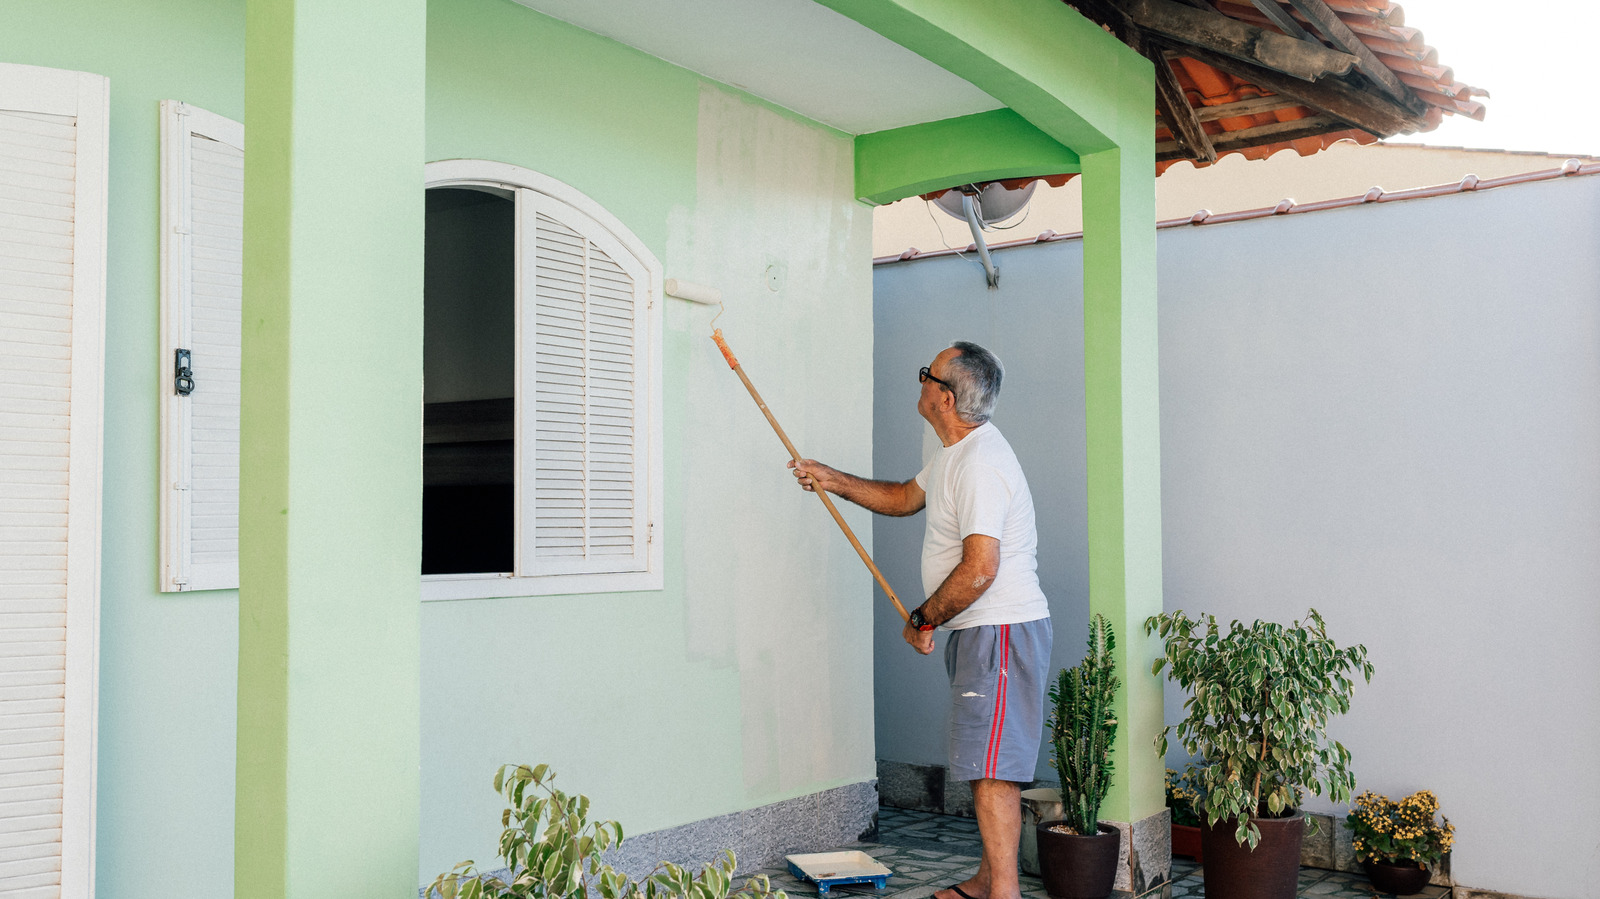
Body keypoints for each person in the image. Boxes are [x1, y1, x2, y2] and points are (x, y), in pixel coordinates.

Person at [789, 341, 1052, 899]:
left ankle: (1003, 892)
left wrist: (923, 618)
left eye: (926, 375)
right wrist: (831, 479)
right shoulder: (953, 452)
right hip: (978, 633)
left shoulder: (982, 463)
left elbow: (981, 568)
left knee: (994, 770)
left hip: (998, 631)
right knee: (986, 764)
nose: (921, 382)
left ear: (946, 396)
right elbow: (907, 497)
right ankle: (988, 880)